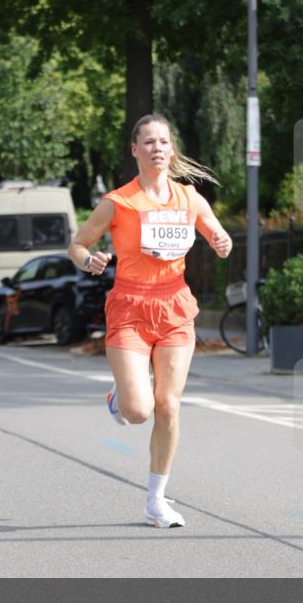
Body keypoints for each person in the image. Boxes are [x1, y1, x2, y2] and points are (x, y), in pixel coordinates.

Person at [68, 114, 232, 528]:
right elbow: (78, 243)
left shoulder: (190, 199)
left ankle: (156, 501)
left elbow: (216, 232)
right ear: (135, 150)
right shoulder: (118, 202)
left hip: (175, 305)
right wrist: (90, 260)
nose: (158, 147)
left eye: (164, 141)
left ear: (171, 149)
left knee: (169, 406)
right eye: (149, 142)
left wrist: (222, 240)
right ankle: (120, 399)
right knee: (139, 411)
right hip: (129, 306)